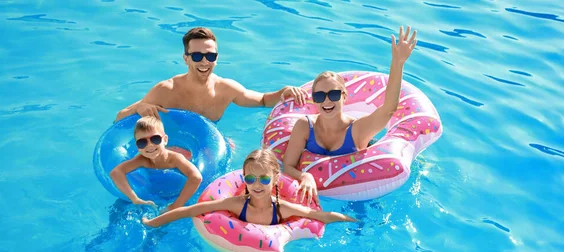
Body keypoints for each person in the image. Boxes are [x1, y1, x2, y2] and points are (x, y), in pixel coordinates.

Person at [282, 26, 418, 205]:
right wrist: (304, 176)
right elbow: (288, 166)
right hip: (320, 196)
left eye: (334, 94)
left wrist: (398, 63)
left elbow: (389, 109)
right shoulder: (304, 126)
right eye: (320, 96)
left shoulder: (357, 130)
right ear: (314, 100)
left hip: (359, 194)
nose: (327, 101)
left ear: (344, 96)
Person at [114, 27, 308, 124]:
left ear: (216, 58)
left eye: (210, 56)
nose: (204, 62)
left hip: (208, 147)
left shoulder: (226, 88)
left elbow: (263, 100)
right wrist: (140, 107)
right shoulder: (167, 90)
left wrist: (283, 91)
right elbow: (119, 118)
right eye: (197, 56)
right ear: (186, 59)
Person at [142, 149, 357, 228]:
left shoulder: (282, 209)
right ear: (244, 179)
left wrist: (350, 220)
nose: (256, 185)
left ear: (275, 180)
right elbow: (191, 210)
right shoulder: (235, 204)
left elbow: (318, 215)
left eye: (264, 179)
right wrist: (154, 222)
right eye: (251, 178)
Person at [109, 116, 202, 210]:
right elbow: (116, 173)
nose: (149, 145)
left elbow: (196, 177)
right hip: (153, 191)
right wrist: (135, 199)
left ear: (165, 140)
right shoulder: (142, 159)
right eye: (142, 142)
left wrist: (175, 206)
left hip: (175, 192)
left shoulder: (175, 159)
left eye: (155, 139)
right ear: (137, 146)